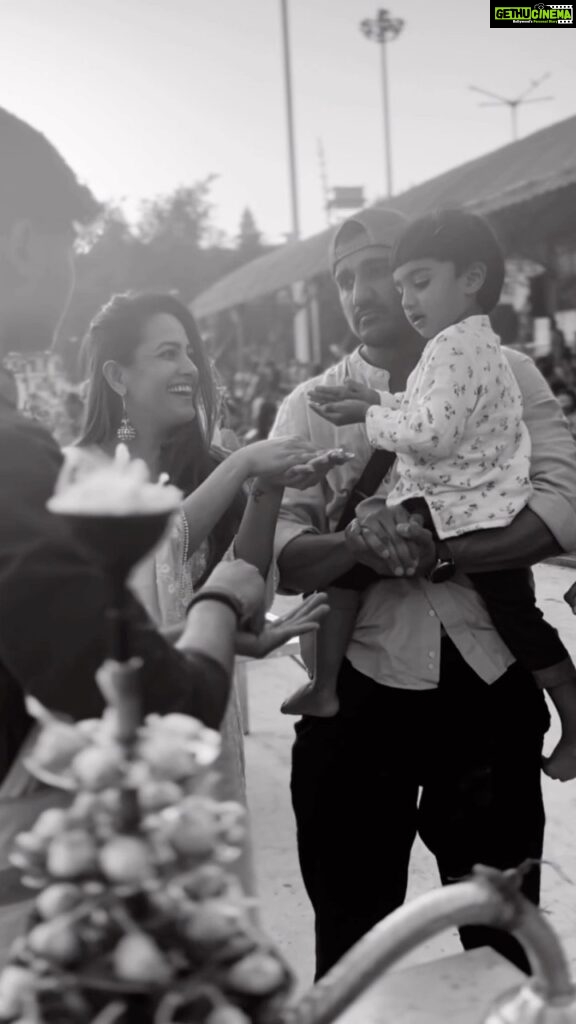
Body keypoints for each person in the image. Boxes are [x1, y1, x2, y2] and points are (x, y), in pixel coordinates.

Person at [0, 107, 327, 955]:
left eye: (192, 352)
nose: (186, 368)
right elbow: (149, 691)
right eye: (69, 243)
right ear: (29, 242)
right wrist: (222, 602)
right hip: (63, 828)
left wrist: (254, 499)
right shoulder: (39, 464)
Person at [270, 207, 576, 979]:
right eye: (346, 280)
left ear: (445, 274)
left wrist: (438, 548)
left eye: (386, 270)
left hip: (488, 689)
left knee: (505, 944)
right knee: (350, 946)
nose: (366, 292)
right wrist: (357, 544)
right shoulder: (313, 403)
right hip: (357, 704)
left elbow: (564, 498)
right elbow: (279, 554)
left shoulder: (507, 370)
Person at [73, 291, 336, 809]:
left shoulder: (207, 463)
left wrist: (267, 487)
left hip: (202, 718)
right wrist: (240, 468)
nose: (188, 367)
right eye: (167, 353)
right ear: (118, 377)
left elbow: (244, 583)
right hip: (120, 738)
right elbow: (149, 557)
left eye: (190, 352)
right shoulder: (80, 474)